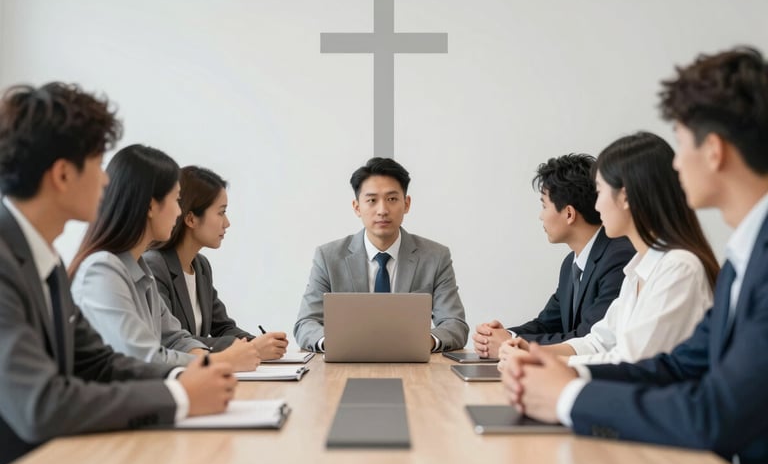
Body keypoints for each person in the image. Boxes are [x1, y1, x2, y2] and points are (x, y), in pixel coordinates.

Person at [502, 47, 768, 464]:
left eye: (681, 144)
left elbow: (715, 413)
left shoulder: (714, 263)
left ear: (714, 151)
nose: (676, 164)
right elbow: (677, 365)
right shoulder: (743, 257)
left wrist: (567, 396)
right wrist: (563, 373)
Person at [0, 83, 235, 464]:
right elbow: (41, 404)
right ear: (62, 175)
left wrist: (183, 379)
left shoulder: (46, 261)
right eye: (96, 164)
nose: (107, 181)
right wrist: (179, 396)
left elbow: (100, 363)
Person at [499, 132, 718, 365]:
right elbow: (598, 341)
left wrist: (543, 361)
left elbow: (632, 363)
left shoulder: (678, 269)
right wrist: (535, 352)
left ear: (624, 197)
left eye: (600, 191)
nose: (596, 204)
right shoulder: (637, 271)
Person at [69, 145, 261, 371]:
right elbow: (143, 357)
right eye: (176, 200)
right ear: (151, 206)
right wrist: (218, 362)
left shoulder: (141, 269)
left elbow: (175, 338)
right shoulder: (102, 270)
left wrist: (208, 362)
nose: (179, 212)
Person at [294, 157, 469, 352]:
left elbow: (455, 324)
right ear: (357, 207)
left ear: (407, 204)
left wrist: (424, 341)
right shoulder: (328, 257)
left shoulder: (435, 256)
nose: (382, 210)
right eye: (371, 200)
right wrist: (333, 343)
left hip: (413, 366)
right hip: (345, 364)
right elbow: (306, 323)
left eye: (392, 199)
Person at [473, 154, 634, 358]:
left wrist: (511, 344)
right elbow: (547, 323)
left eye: (544, 205)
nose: (540, 215)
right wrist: (505, 335)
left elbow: (589, 338)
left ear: (569, 214)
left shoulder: (619, 257)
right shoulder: (571, 264)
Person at [143, 166, 288, 358]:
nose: (227, 223)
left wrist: (259, 343)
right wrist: (250, 349)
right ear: (191, 219)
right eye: (221, 212)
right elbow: (172, 340)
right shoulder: (154, 265)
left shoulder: (201, 266)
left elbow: (223, 327)